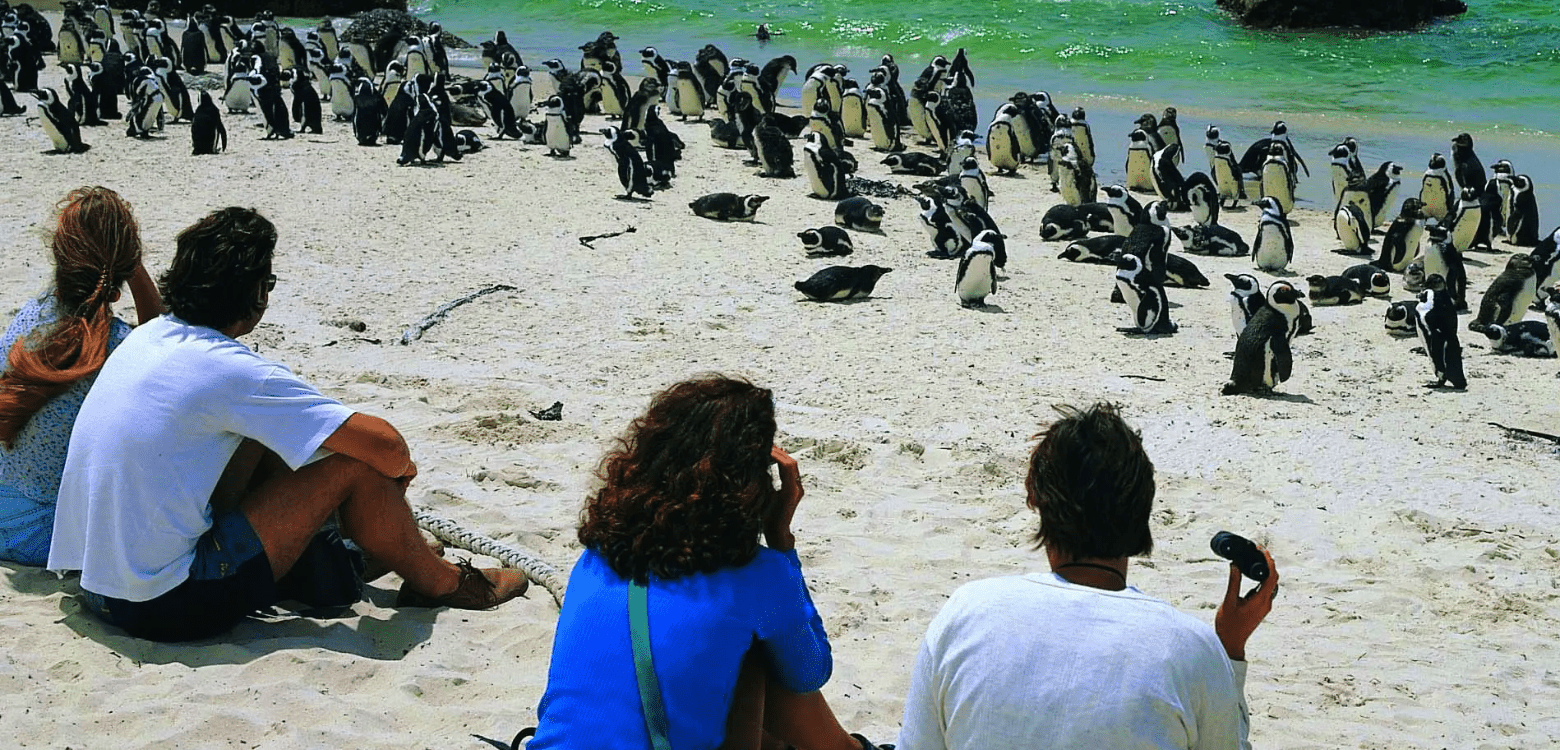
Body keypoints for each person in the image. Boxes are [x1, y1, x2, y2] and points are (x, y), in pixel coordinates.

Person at [46, 206, 527, 642]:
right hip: (164, 604)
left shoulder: (147, 337)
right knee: (354, 465)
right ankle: (443, 583)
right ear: (255, 293)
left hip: (97, 588)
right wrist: (398, 476)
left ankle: (340, 563)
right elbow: (388, 446)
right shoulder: (232, 370)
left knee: (262, 436)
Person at [527, 375, 882, 750]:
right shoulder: (755, 577)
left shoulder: (595, 558)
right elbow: (810, 673)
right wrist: (781, 540)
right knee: (760, 655)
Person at [898, 403, 1277, 750]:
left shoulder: (966, 613)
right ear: (1142, 510)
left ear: (1035, 498)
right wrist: (1229, 649)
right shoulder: (1191, 650)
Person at [0, 187, 163, 566]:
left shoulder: (30, 317)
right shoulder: (120, 348)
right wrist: (131, 266)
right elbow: (159, 331)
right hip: (46, 537)